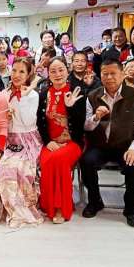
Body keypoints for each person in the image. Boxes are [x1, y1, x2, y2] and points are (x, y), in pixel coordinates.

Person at [81, 59, 134, 227]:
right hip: (101, 145)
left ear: (122, 74)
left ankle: (131, 209)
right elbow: (87, 127)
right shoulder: (93, 96)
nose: (109, 77)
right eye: (105, 74)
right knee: (86, 161)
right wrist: (96, 117)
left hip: (126, 146)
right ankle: (95, 201)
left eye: (113, 73)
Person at [0, 58, 44, 228]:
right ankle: (2, 210)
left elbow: (27, 122)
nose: (17, 75)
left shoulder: (32, 95)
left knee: (17, 169)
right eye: (15, 70)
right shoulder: (4, 93)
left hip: (27, 141)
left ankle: (20, 211)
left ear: (28, 74)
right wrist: (6, 117)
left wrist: (20, 102)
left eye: (22, 71)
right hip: (9, 140)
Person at [36, 57, 85, 223]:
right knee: (47, 160)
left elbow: (81, 124)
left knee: (59, 159)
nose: (57, 74)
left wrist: (71, 107)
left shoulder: (77, 92)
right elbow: (40, 122)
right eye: (53, 71)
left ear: (67, 70)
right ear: (48, 74)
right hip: (50, 142)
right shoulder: (43, 94)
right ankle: (48, 204)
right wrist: (48, 141)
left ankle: (60, 207)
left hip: (72, 143)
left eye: (61, 70)